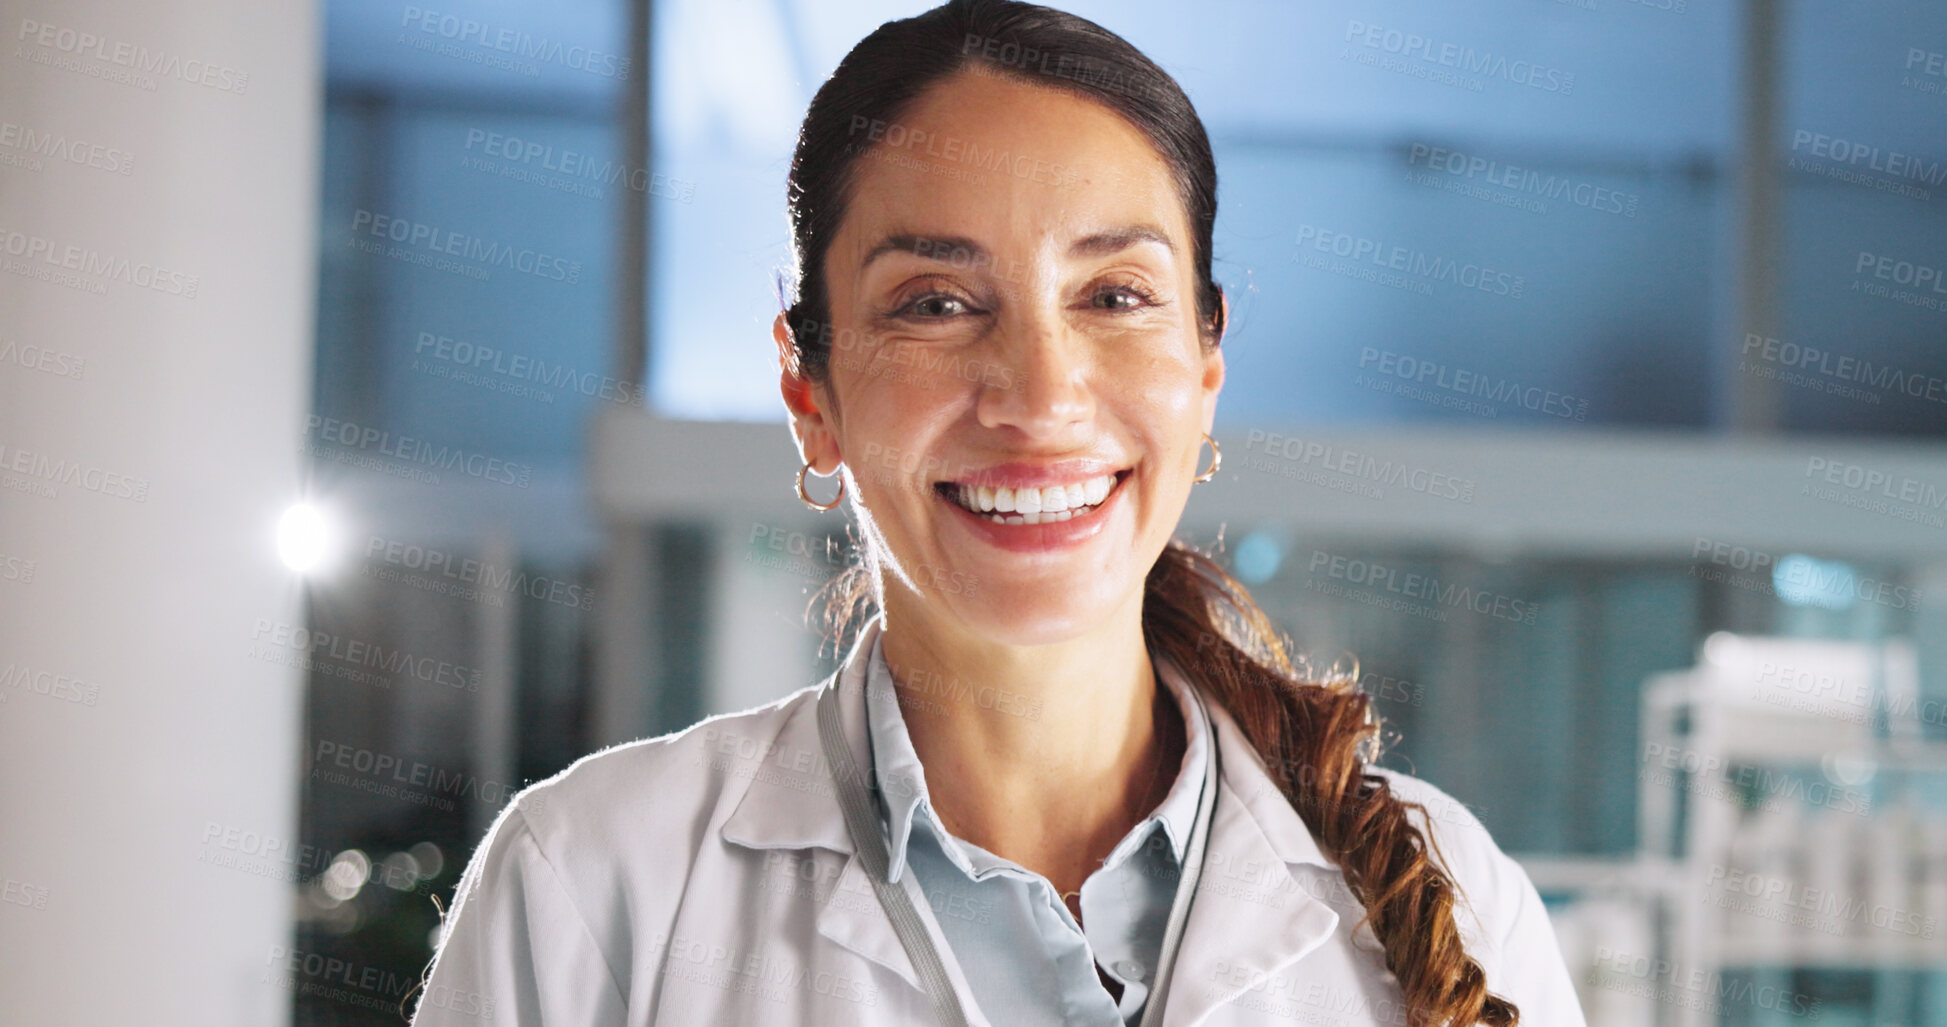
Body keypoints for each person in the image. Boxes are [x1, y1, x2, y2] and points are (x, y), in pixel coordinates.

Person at [409, 1, 1587, 1024]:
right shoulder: (590, 887)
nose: (1039, 397)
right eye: (935, 303)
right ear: (810, 394)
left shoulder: (1458, 903)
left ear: (1207, 365)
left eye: (1114, 295)